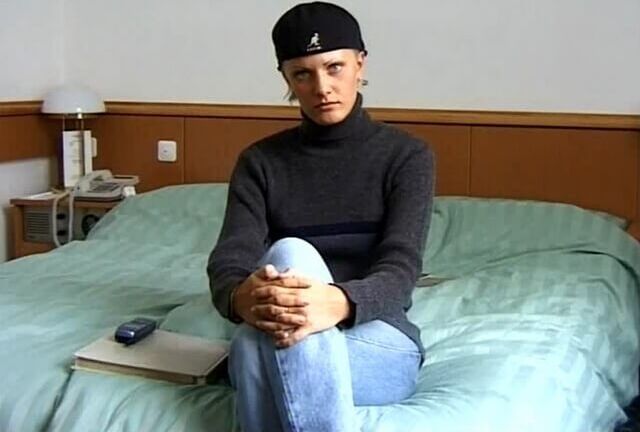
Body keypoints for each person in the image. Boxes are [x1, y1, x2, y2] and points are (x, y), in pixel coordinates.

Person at [207, 2, 435, 431]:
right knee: (282, 276)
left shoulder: (406, 156)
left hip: (378, 337)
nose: (322, 87)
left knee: (253, 346)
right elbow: (229, 262)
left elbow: (400, 269)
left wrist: (338, 301)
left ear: (359, 64)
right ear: (286, 79)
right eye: (302, 74)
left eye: (334, 67)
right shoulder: (260, 162)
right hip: (281, 330)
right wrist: (240, 297)